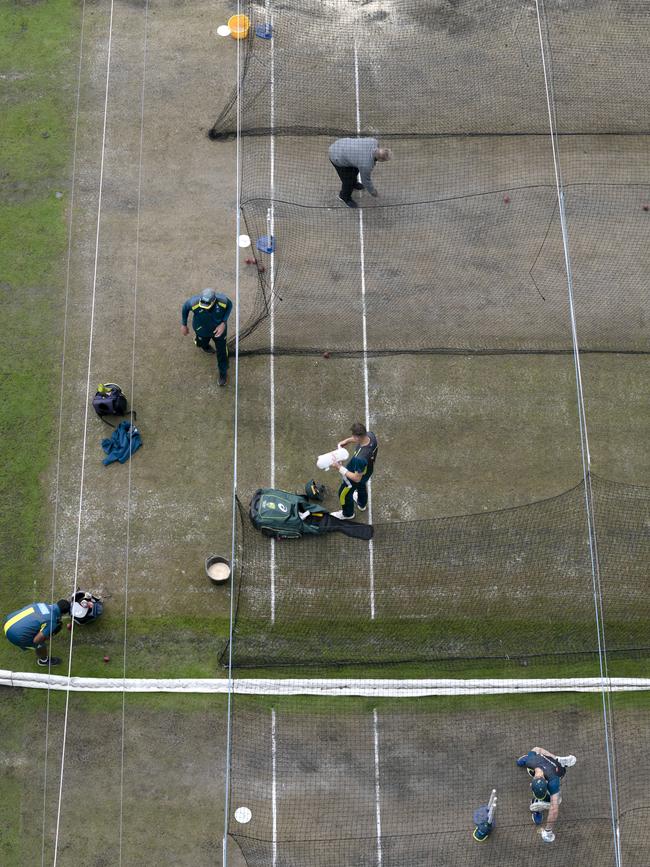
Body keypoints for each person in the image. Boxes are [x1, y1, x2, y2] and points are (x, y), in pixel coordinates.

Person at [517, 747, 577, 842]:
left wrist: (548, 831)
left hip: (558, 771)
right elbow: (537, 749)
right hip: (548, 763)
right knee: (528, 765)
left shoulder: (553, 782)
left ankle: (537, 807)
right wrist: (554, 757)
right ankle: (558, 759)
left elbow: (554, 810)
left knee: (556, 801)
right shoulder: (530, 761)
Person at [181, 288, 232, 386]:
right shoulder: (193, 302)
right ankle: (203, 345)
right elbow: (185, 307)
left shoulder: (223, 301)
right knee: (202, 344)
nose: (204, 307)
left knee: (222, 352)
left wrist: (223, 323)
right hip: (201, 330)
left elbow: (230, 305)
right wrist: (184, 324)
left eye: (207, 305)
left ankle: (223, 373)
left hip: (219, 331)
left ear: (214, 301)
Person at [330, 422, 378, 520]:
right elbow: (358, 438)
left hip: (355, 475)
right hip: (367, 471)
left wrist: (339, 467)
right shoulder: (371, 436)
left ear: (358, 437)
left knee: (343, 494)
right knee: (361, 485)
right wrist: (347, 441)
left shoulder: (360, 459)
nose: (353, 437)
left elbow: (356, 478)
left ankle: (348, 514)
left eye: (354, 436)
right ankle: (361, 504)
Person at [3, 599, 71, 667]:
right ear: (63, 613)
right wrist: (48, 635)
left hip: (9, 622)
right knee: (40, 645)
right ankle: (43, 661)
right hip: (15, 636)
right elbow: (36, 640)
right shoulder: (52, 621)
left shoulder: (42, 604)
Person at [328, 138, 393, 208]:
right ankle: (344, 197)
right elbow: (366, 181)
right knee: (348, 182)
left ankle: (354, 184)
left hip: (341, 144)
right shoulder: (366, 164)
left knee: (355, 169)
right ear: (380, 160)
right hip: (336, 156)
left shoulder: (373, 141)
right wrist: (372, 192)